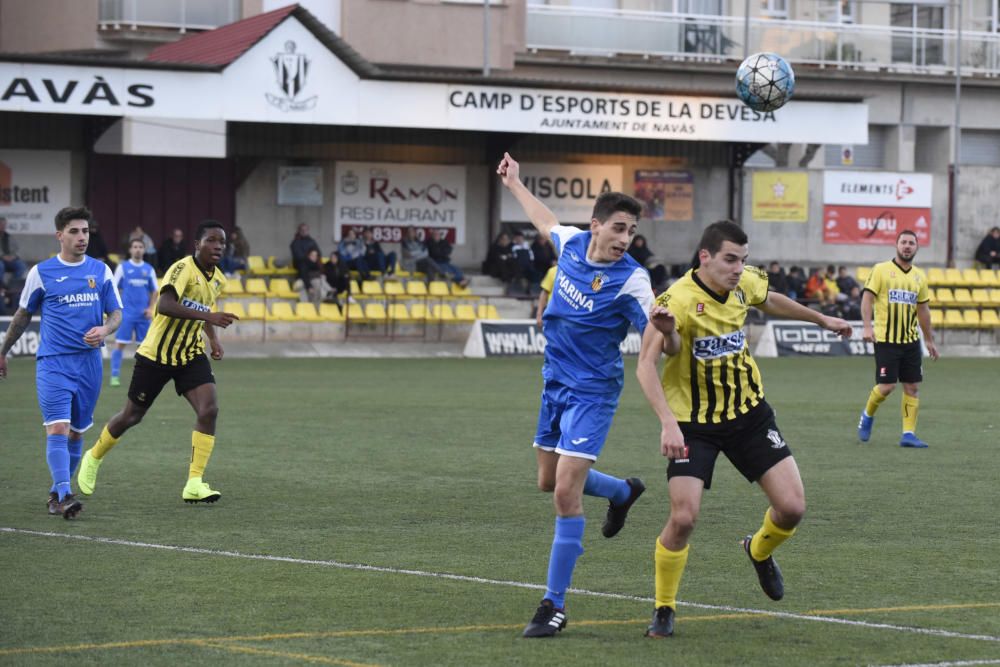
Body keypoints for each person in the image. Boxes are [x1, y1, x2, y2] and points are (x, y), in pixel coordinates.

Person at [635, 220, 852, 638]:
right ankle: (664, 607)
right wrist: (667, 424)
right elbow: (647, 364)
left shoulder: (743, 283)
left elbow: (770, 300)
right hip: (693, 425)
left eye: (743, 260)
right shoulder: (675, 299)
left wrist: (822, 319)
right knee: (683, 517)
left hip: (748, 414)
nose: (738, 268)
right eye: (730, 259)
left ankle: (758, 550)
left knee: (792, 508)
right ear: (705, 257)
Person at [498, 153, 654, 639]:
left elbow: (657, 334)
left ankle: (554, 605)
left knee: (565, 492)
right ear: (596, 226)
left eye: (630, 232)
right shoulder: (571, 243)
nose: (624, 239)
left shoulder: (632, 279)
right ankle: (622, 491)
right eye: (619, 228)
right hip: (554, 381)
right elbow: (545, 220)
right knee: (549, 481)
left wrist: (666, 332)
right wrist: (515, 184)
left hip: (593, 391)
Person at [76, 220, 240, 504]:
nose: (218, 246)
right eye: (212, 240)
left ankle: (194, 482)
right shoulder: (181, 269)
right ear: (197, 244)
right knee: (131, 416)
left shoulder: (218, 279)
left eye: (222, 242)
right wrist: (208, 318)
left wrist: (213, 339)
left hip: (189, 354)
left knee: (209, 408)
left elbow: (205, 308)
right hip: (156, 355)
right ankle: (93, 457)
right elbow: (165, 305)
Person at [0, 206, 123, 519]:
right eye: (74, 231)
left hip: (90, 365)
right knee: (58, 426)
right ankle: (65, 492)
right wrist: (3, 351)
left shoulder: (101, 270)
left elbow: (116, 314)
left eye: (85, 231)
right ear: (60, 235)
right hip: (54, 363)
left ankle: (57, 494)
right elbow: (22, 315)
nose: (82, 237)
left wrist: (105, 329)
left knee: (77, 433)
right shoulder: (41, 273)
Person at [856, 229, 940, 448]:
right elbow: (867, 299)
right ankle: (867, 415)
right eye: (903, 242)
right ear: (896, 245)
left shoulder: (919, 276)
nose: (907, 246)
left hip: (911, 341)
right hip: (886, 339)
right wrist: (867, 326)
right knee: (886, 386)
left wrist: (929, 340)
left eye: (911, 243)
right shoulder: (881, 270)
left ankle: (908, 434)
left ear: (916, 248)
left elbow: (923, 311)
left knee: (912, 387)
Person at [109, 238, 158, 388]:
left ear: (144, 250)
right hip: (127, 314)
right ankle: (115, 376)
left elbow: (155, 291)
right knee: (120, 344)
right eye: (135, 247)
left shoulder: (149, 269)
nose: (137, 249)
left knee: (143, 349)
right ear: (130, 250)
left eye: (140, 247)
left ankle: (141, 378)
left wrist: (150, 308)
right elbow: (113, 287)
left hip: (143, 316)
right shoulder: (123, 267)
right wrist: (116, 308)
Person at [0, 216, 28, 286]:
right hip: (1, 259)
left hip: (10, 259)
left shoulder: (9, 236)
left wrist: (13, 256)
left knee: (21, 266)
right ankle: (1, 285)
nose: (3, 226)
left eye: (4, 224)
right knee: (1, 266)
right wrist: (3, 256)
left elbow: (16, 249)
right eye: (1, 224)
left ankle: (13, 284)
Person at [536, 263, 557, 330]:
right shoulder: (553, 271)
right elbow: (544, 293)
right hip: (552, 316)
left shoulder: (578, 273)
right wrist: (539, 315)